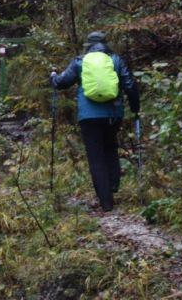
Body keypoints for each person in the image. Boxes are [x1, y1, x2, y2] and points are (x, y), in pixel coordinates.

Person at [50, 31, 140, 212]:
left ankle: (106, 202)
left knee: (96, 157)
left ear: (88, 46)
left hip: (89, 117)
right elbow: (129, 85)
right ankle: (113, 186)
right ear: (106, 44)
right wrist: (135, 108)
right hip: (113, 115)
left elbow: (62, 82)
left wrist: (53, 77)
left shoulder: (80, 62)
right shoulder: (115, 60)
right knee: (110, 148)